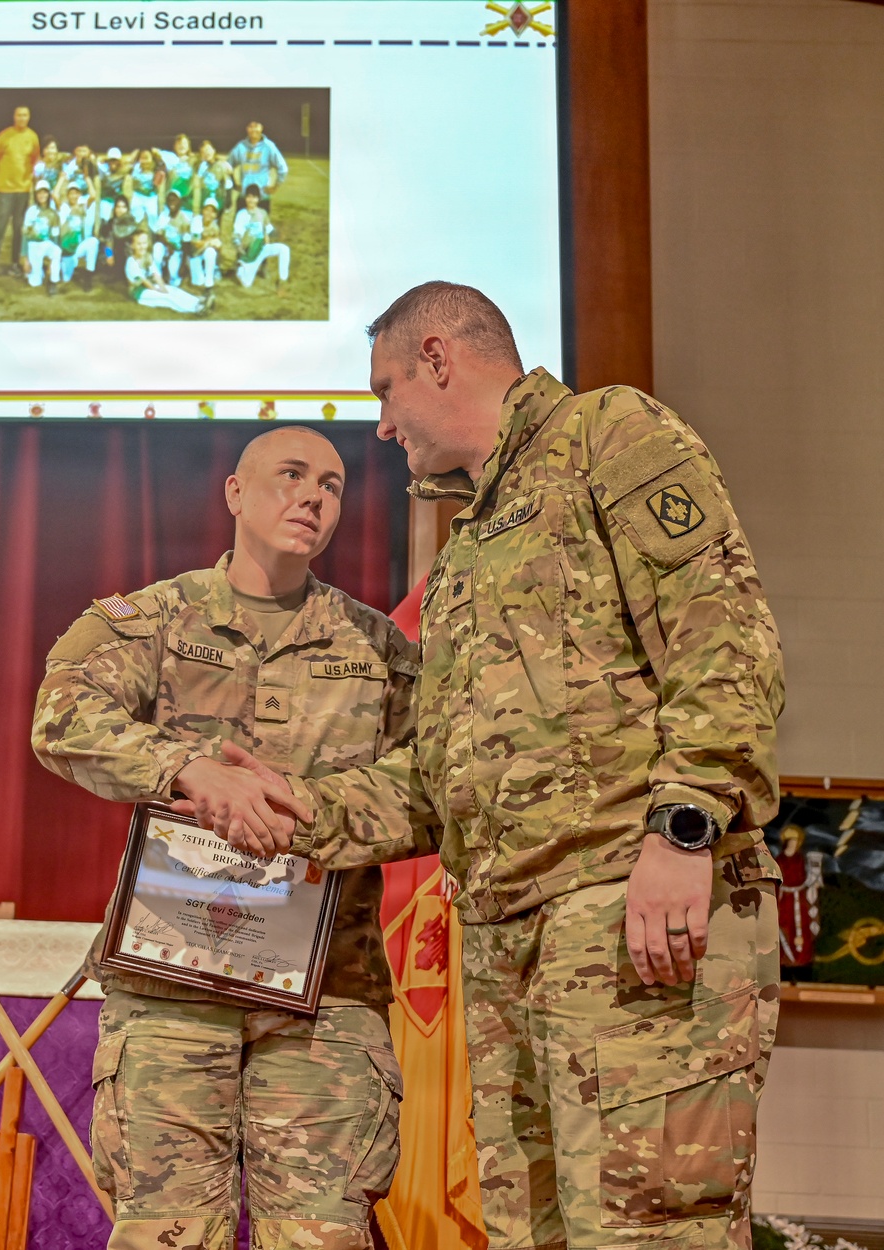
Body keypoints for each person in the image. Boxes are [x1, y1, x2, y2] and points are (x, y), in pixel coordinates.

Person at [220, 282, 787, 1250]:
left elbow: (724, 643)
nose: (384, 425)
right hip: (509, 940)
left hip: (626, 912)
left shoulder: (607, 434)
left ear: (438, 357)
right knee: (534, 1233)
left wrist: (683, 828)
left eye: (385, 390)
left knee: (651, 1230)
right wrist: (288, 807)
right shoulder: (473, 539)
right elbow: (439, 776)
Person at [31, 426, 418, 1250]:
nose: (313, 496)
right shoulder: (156, 622)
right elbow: (61, 717)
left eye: (333, 484)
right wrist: (186, 768)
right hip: (173, 991)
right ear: (236, 493)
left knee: (321, 1239)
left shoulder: (380, 651)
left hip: (327, 1004)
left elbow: (441, 788)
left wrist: (308, 809)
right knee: (164, 1236)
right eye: (290, 475)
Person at [0, 104, 40, 284]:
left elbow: (35, 160)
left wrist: (29, 179)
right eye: (19, 115)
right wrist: (0, 178)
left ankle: (14, 264)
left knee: (19, 229)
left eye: (25, 115)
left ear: (29, 117)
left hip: (23, 191)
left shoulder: (32, 137)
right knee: (0, 228)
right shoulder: (4, 136)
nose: (22, 118)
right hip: (5, 191)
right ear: (14, 117)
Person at [123, 229, 209, 314]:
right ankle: (195, 309)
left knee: (172, 290)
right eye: (138, 244)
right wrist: (157, 290)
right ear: (132, 246)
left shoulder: (147, 257)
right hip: (139, 292)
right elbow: (144, 281)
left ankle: (197, 300)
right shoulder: (131, 262)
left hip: (150, 285)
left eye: (144, 243)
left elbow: (155, 274)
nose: (142, 246)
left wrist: (163, 287)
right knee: (166, 298)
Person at [232, 185, 289, 291]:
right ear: (245, 198)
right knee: (246, 284)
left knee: (284, 249)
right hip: (250, 254)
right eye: (248, 196)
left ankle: (282, 281)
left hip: (262, 249)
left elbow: (269, 230)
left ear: (258, 199)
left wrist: (278, 234)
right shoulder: (241, 214)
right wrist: (239, 247)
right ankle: (241, 268)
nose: (251, 200)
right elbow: (236, 234)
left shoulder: (262, 213)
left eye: (254, 197)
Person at [229, 120, 288, 212]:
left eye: (256, 126)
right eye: (250, 126)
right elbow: (228, 165)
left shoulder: (269, 147)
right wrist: (234, 183)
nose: (253, 129)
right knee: (240, 225)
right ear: (246, 129)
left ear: (261, 128)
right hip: (244, 196)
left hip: (262, 197)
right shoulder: (241, 146)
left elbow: (283, 168)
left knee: (260, 225)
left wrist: (275, 187)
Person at [20, 179, 61, 295]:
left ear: (49, 194)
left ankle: (53, 281)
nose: (42, 195)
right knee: (35, 282)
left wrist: (53, 263)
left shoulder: (53, 213)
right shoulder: (31, 211)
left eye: (45, 192)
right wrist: (25, 259)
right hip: (33, 245)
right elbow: (25, 236)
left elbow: (55, 237)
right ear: (35, 194)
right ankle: (38, 270)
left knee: (57, 251)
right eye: (39, 193)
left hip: (46, 243)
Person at [58, 183, 100, 289]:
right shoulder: (64, 208)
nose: (74, 196)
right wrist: (61, 179)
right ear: (67, 195)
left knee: (93, 242)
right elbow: (54, 195)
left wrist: (87, 178)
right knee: (66, 278)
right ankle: (70, 269)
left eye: (76, 193)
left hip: (79, 248)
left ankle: (88, 277)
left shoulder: (82, 207)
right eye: (71, 193)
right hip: (67, 250)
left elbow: (93, 196)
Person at [153, 189, 194, 285]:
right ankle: (157, 277)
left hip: (178, 251)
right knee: (157, 248)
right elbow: (158, 235)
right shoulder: (164, 216)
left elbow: (186, 244)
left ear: (179, 202)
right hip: (166, 247)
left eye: (174, 200)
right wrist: (167, 246)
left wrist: (183, 264)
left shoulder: (184, 218)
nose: (172, 203)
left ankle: (179, 274)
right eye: (169, 200)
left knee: (174, 278)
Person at [124, 147, 165, 232]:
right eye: (142, 158)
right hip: (138, 196)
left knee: (153, 216)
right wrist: (134, 154)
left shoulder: (156, 170)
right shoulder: (135, 169)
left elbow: (163, 164)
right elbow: (126, 164)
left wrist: (156, 155)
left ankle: (155, 236)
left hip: (151, 197)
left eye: (147, 158)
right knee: (135, 216)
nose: (145, 161)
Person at [100, 193, 139, 282]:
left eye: (123, 207)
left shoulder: (132, 223)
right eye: (118, 207)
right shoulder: (110, 223)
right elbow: (107, 242)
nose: (120, 210)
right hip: (114, 258)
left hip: (128, 257)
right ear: (114, 209)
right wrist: (109, 255)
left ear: (127, 209)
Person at [187, 198, 224, 290]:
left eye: (212, 211)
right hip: (194, 254)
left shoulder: (215, 226)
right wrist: (209, 241)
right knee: (198, 282)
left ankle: (209, 282)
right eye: (207, 210)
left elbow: (218, 247)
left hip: (204, 252)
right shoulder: (196, 221)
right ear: (202, 210)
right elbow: (196, 244)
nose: (209, 214)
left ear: (215, 215)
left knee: (211, 252)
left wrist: (215, 245)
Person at [193, 138, 234, 215]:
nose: (206, 153)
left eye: (208, 149)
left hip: (218, 202)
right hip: (205, 202)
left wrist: (228, 203)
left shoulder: (222, 165)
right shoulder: (200, 167)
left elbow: (228, 184)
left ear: (214, 150)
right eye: (203, 151)